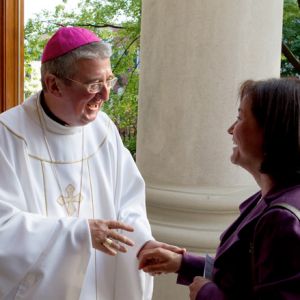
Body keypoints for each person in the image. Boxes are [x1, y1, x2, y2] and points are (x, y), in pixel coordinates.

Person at [0, 26, 182, 300]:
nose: (105, 95)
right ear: (53, 84)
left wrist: (142, 243)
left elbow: (128, 202)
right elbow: (4, 228)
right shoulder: (8, 135)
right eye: (94, 85)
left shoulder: (103, 130)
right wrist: (79, 234)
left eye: (109, 80)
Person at [138, 77, 300, 299]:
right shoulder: (269, 197)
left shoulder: (283, 220)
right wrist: (183, 263)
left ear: (272, 130)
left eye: (240, 117)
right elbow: (247, 272)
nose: (230, 129)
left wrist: (206, 294)